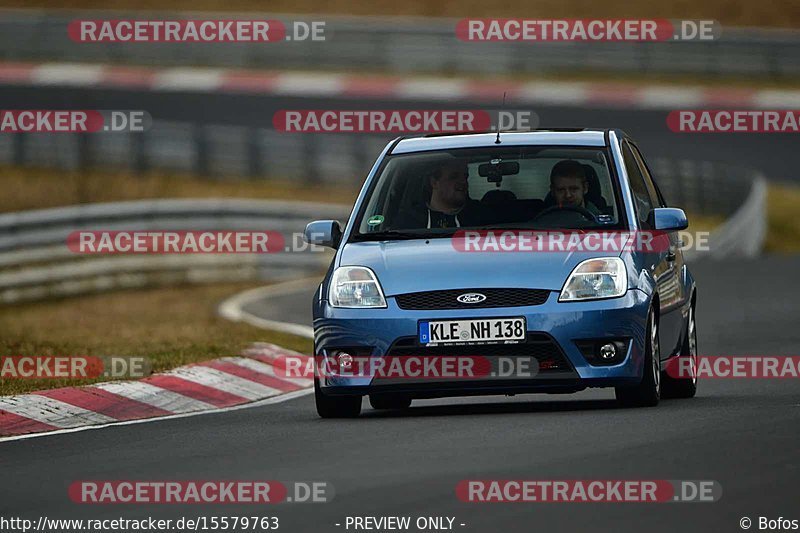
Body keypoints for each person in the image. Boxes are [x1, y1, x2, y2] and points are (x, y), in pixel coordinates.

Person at [395, 158, 488, 229]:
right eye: (454, 177)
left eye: (465, 176)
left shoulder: (481, 217)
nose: (463, 181)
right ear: (434, 183)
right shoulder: (410, 220)